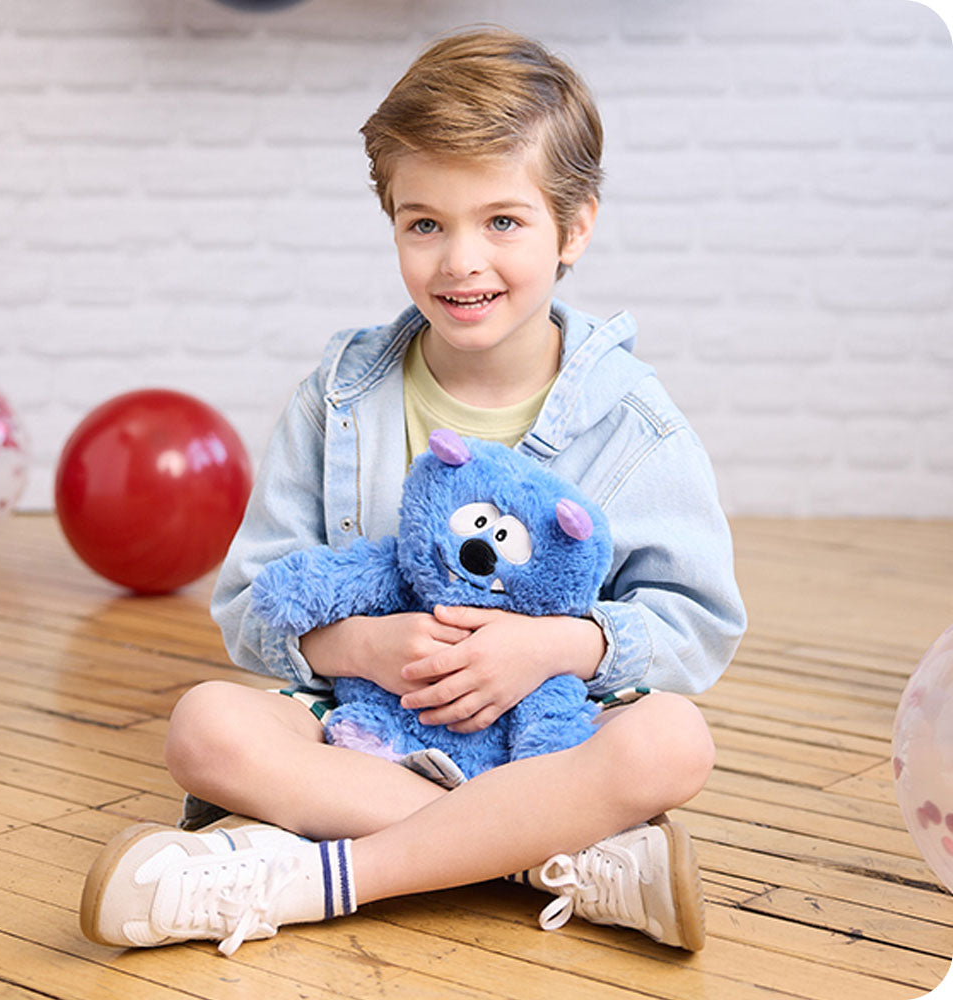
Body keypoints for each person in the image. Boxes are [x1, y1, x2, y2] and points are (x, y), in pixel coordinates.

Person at [79, 27, 746, 959]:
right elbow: (252, 596)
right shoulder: (341, 395)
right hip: (366, 726)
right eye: (424, 222)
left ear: (576, 227)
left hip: (542, 737)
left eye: (502, 222)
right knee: (205, 726)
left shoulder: (634, 423)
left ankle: (313, 878)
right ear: (392, 219)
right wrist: (365, 644)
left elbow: (698, 621)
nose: (459, 261)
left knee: (673, 741)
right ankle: (546, 857)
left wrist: (552, 646)